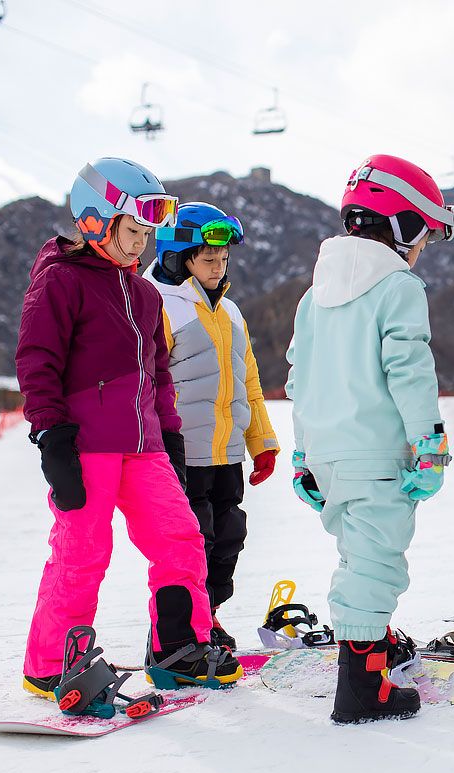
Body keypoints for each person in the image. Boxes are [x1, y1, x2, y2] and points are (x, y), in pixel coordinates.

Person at [16, 158, 243, 698]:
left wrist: (169, 435)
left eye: (147, 234)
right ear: (95, 221)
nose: (141, 245)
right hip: (85, 445)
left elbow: (159, 374)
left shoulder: (143, 295)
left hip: (144, 448)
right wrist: (51, 435)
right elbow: (37, 360)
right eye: (133, 231)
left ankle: (177, 647)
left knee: (181, 537)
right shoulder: (61, 283)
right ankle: (52, 662)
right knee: (82, 550)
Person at [285, 154, 454, 723]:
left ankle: (367, 665)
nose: (421, 248)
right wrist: (429, 445)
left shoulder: (314, 295)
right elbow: (409, 369)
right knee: (376, 565)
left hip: (330, 454)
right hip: (377, 452)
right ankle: (362, 690)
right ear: (403, 223)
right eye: (423, 235)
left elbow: (299, 378)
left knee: (357, 560)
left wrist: (304, 455)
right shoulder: (398, 286)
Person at [146, 202, 280, 649]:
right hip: (181, 451)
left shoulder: (231, 312)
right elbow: (146, 382)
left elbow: (250, 380)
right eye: (208, 258)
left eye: (223, 259)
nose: (218, 266)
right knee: (190, 545)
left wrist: (261, 440)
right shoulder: (159, 307)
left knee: (227, 540)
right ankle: (175, 636)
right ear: (178, 257)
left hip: (227, 451)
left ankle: (210, 618)